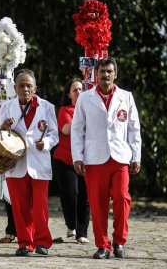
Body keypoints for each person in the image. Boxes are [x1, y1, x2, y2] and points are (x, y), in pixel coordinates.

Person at [71, 56, 141, 259]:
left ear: (115, 74)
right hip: (94, 158)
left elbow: (134, 129)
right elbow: (77, 130)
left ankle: (119, 241)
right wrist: (77, 156)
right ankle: (103, 245)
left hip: (120, 157)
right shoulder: (85, 98)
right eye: (102, 71)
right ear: (96, 74)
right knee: (97, 202)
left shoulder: (126, 97)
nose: (106, 75)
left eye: (109, 71)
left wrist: (136, 156)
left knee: (122, 197)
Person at [0, 69, 59, 256]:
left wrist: (46, 143)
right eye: (21, 86)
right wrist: (4, 127)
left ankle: (42, 242)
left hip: (38, 159)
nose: (25, 89)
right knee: (19, 206)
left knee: (40, 206)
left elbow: (54, 134)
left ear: (35, 88)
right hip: (16, 162)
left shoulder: (47, 106)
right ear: (15, 88)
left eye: (29, 86)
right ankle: (24, 243)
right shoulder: (7, 107)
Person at [53, 78, 90, 244]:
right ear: (69, 94)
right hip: (65, 159)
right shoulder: (65, 110)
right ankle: (71, 225)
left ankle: (82, 232)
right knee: (70, 193)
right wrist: (83, 116)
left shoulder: (90, 109)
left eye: (81, 89)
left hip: (86, 159)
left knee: (85, 196)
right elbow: (67, 130)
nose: (78, 92)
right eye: (75, 90)